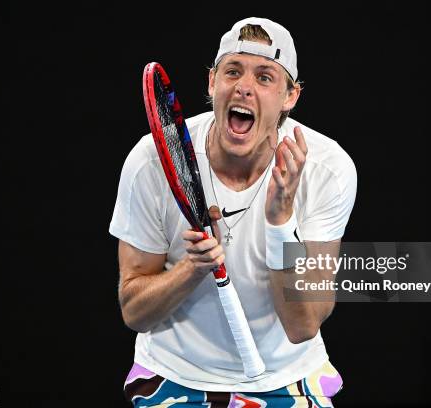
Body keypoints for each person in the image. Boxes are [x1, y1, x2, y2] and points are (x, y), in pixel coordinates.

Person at [110, 17, 357, 407]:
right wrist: (192, 269)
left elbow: (303, 324)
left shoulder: (329, 170)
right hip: (175, 374)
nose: (243, 86)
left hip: (287, 375)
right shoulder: (150, 160)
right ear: (212, 83)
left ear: (290, 97)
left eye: (265, 77)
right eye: (232, 71)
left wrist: (280, 221)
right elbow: (135, 312)